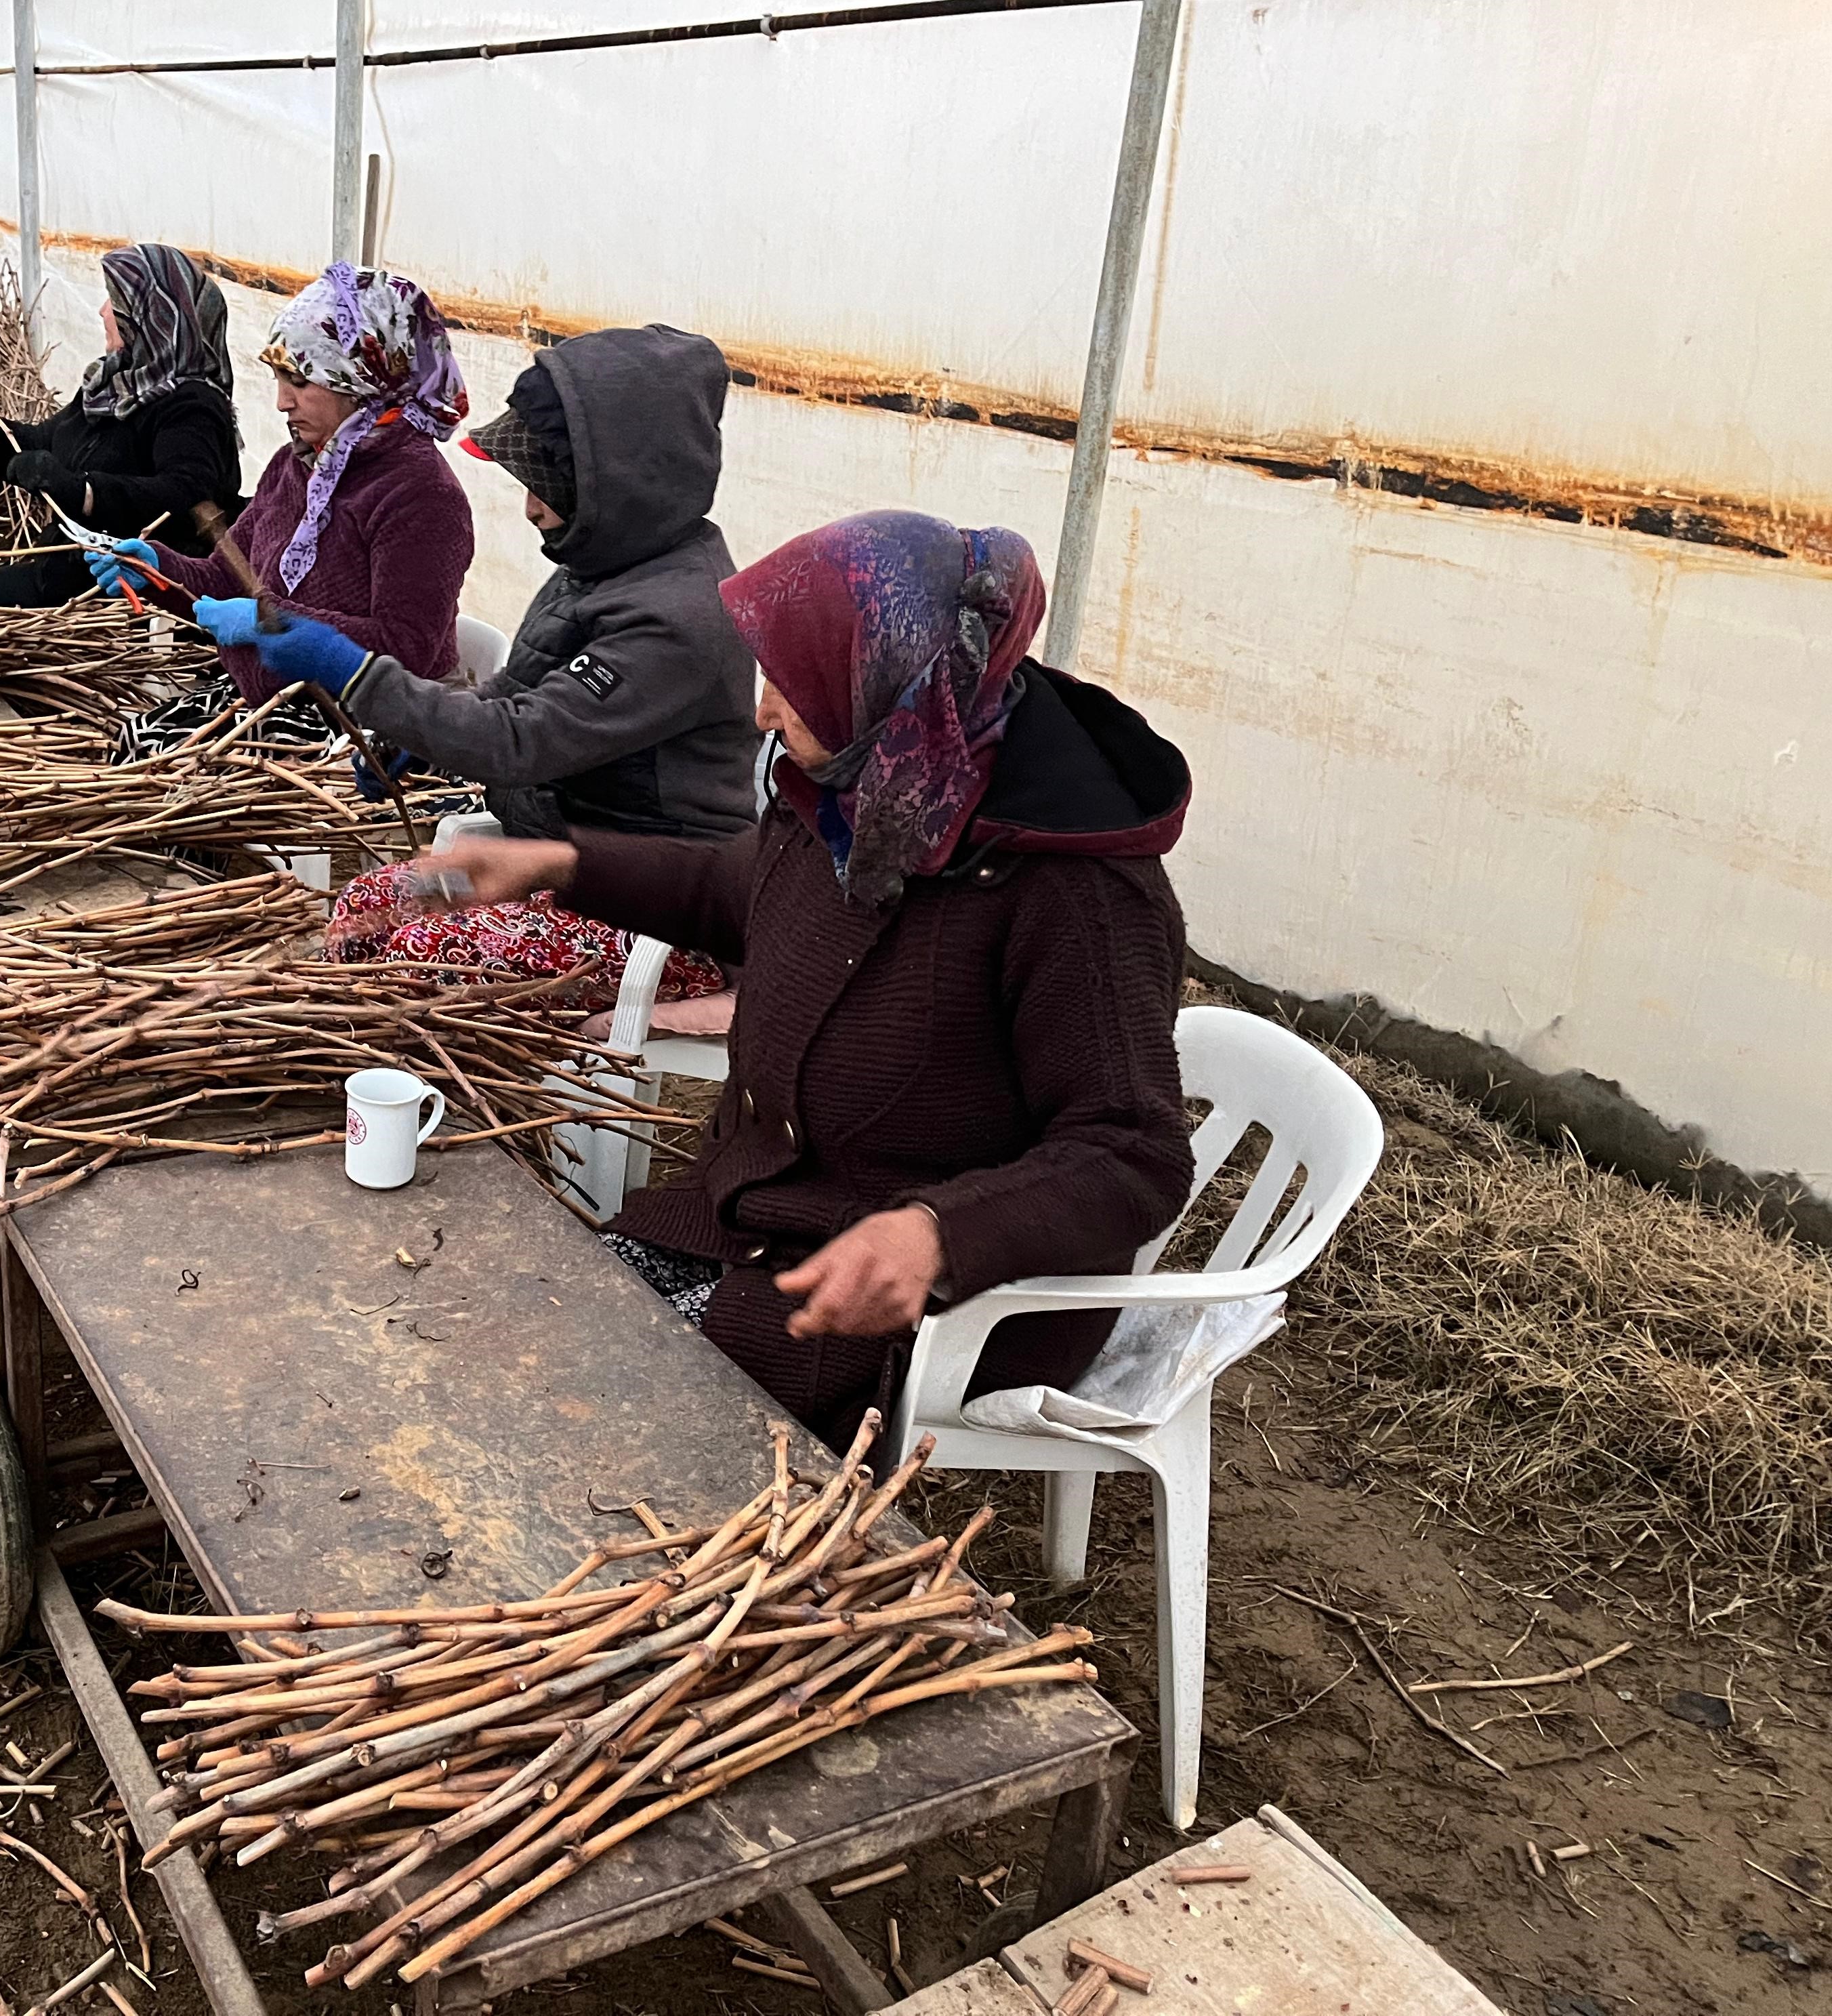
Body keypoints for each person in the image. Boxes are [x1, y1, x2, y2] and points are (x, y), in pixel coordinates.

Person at [414, 510, 1199, 1447]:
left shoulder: (1077, 891)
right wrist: (557, 865)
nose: (762, 712)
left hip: (917, 1298)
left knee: (607, 1423)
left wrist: (938, 1234)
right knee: (533, 1331)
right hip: (760, 1217)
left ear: (881, 677)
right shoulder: (868, 787)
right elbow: (732, 888)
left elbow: (1134, 1155)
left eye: (792, 681)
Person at [257, 325, 761, 1004]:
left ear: (621, 483)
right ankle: (364, 1066)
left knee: (426, 950)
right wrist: (424, 739)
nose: (529, 507)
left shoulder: (676, 620)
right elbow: (511, 699)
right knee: (374, 902)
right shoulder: (600, 562)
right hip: (537, 863)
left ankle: (422, 1091)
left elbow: (521, 742)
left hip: (652, 911)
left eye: (547, 484)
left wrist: (351, 670)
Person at [85, 262, 474, 708]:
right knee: (133, 747)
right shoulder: (295, 465)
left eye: (300, 382)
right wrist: (158, 572)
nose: (281, 402)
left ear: (364, 380)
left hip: (369, 726)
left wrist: (269, 621)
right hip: (276, 703)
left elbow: (405, 648)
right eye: (279, 380)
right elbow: (226, 577)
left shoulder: (422, 495)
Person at [0, 243, 244, 607]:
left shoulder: (191, 404)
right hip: (69, 570)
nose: (103, 311)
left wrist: (84, 492)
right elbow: (34, 445)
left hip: (125, 590)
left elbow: (185, 493)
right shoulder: (112, 384)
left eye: (115, 301)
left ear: (150, 315)